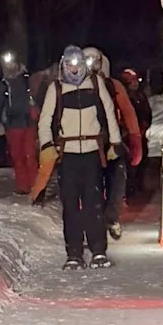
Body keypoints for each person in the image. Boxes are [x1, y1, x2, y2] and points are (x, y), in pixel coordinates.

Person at [37, 45, 123, 270]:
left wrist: (115, 143)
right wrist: (47, 146)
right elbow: (45, 121)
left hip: (93, 154)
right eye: (70, 66)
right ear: (64, 65)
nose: (74, 71)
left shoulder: (96, 84)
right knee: (71, 205)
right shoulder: (55, 89)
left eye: (78, 66)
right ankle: (74, 252)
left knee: (94, 203)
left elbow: (109, 112)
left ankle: (98, 251)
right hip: (68, 156)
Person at [82, 47, 143, 241]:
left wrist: (135, 138)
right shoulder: (70, 87)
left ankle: (111, 217)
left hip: (110, 142)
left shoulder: (113, 85)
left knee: (117, 181)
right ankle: (90, 223)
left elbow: (127, 112)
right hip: (84, 144)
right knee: (87, 186)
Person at [0, 51, 38, 195]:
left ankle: (36, 185)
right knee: (18, 156)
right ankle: (23, 186)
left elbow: (38, 96)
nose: (10, 66)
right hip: (13, 125)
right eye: (7, 64)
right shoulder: (3, 85)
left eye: (12, 63)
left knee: (30, 155)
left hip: (28, 123)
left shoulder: (27, 80)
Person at [121, 68, 152, 198]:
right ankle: (128, 190)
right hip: (126, 137)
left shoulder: (140, 96)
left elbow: (147, 113)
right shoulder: (123, 97)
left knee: (142, 160)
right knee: (128, 164)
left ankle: (137, 186)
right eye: (132, 81)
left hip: (140, 134)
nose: (135, 84)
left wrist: (144, 125)